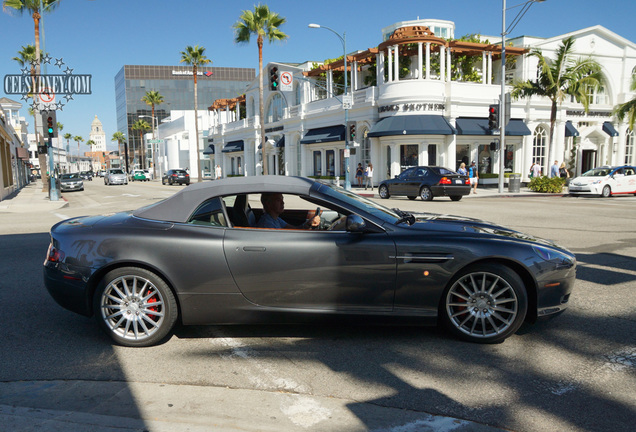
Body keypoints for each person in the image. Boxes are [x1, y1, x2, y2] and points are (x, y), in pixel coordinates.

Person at [256, 193, 321, 229]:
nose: (283, 203)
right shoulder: (267, 224)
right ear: (268, 204)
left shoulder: (276, 219)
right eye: (278, 200)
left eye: (282, 199)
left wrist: (308, 224)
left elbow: (295, 229)